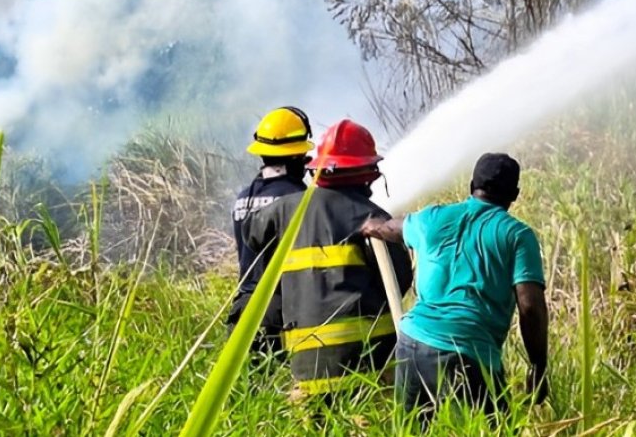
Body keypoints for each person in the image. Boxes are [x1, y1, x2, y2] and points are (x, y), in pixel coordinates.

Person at [360, 152, 549, 422]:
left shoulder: (433, 218)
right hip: (471, 352)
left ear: (472, 186)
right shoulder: (518, 235)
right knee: (497, 428)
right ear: (515, 194)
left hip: (414, 343)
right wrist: (538, 365)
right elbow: (530, 307)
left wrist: (371, 226)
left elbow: (391, 227)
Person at [244, 118, 413, 400]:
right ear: (366, 171)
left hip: (306, 370)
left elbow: (252, 232)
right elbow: (398, 282)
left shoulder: (282, 212)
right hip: (369, 367)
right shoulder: (374, 219)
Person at [225, 106, 313, 355]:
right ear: (296, 157)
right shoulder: (297, 197)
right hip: (281, 313)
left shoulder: (243, 198)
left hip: (242, 313)